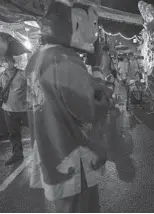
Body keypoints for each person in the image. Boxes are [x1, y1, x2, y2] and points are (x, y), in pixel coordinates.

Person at [27, 1, 108, 212]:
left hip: (50, 144)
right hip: (72, 150)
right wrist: (100, 75)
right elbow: (89, 109)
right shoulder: (64, 59)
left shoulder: (37, 57)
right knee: (81, 205)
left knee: (65, 206)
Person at [0, 55, 28, 165]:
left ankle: (43, 152)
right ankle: (17, 154)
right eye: (3, 61)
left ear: (12, 61)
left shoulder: (22, 73)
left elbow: (33, 87)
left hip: (24, 109)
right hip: (8, 109)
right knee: (13, 133)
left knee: (36, 130)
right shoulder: (2, 75)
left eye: (7, 61)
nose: (5, 63)